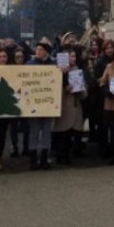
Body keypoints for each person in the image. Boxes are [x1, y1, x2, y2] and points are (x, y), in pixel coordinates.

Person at [53, 50, 87, 166]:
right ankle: (60, 154)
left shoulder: (78, 71)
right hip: (62, 105)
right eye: (70, 56)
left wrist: (80, 88)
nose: (72, 59)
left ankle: (67, 155)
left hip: (74, 104)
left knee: (70, 132)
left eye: (73, 56)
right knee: (62, 132)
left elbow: (84, 94)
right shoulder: (56, 71)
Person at [27, 40, 56, 170]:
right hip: (33, 104)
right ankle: (33, 158)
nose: (38, 51)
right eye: (37, 49)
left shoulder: (53, 66)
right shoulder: (29, 65)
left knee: (46, 131)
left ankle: (44, 157)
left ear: (46, 52)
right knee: (34, 130)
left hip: (48, 103)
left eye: (41, 49)